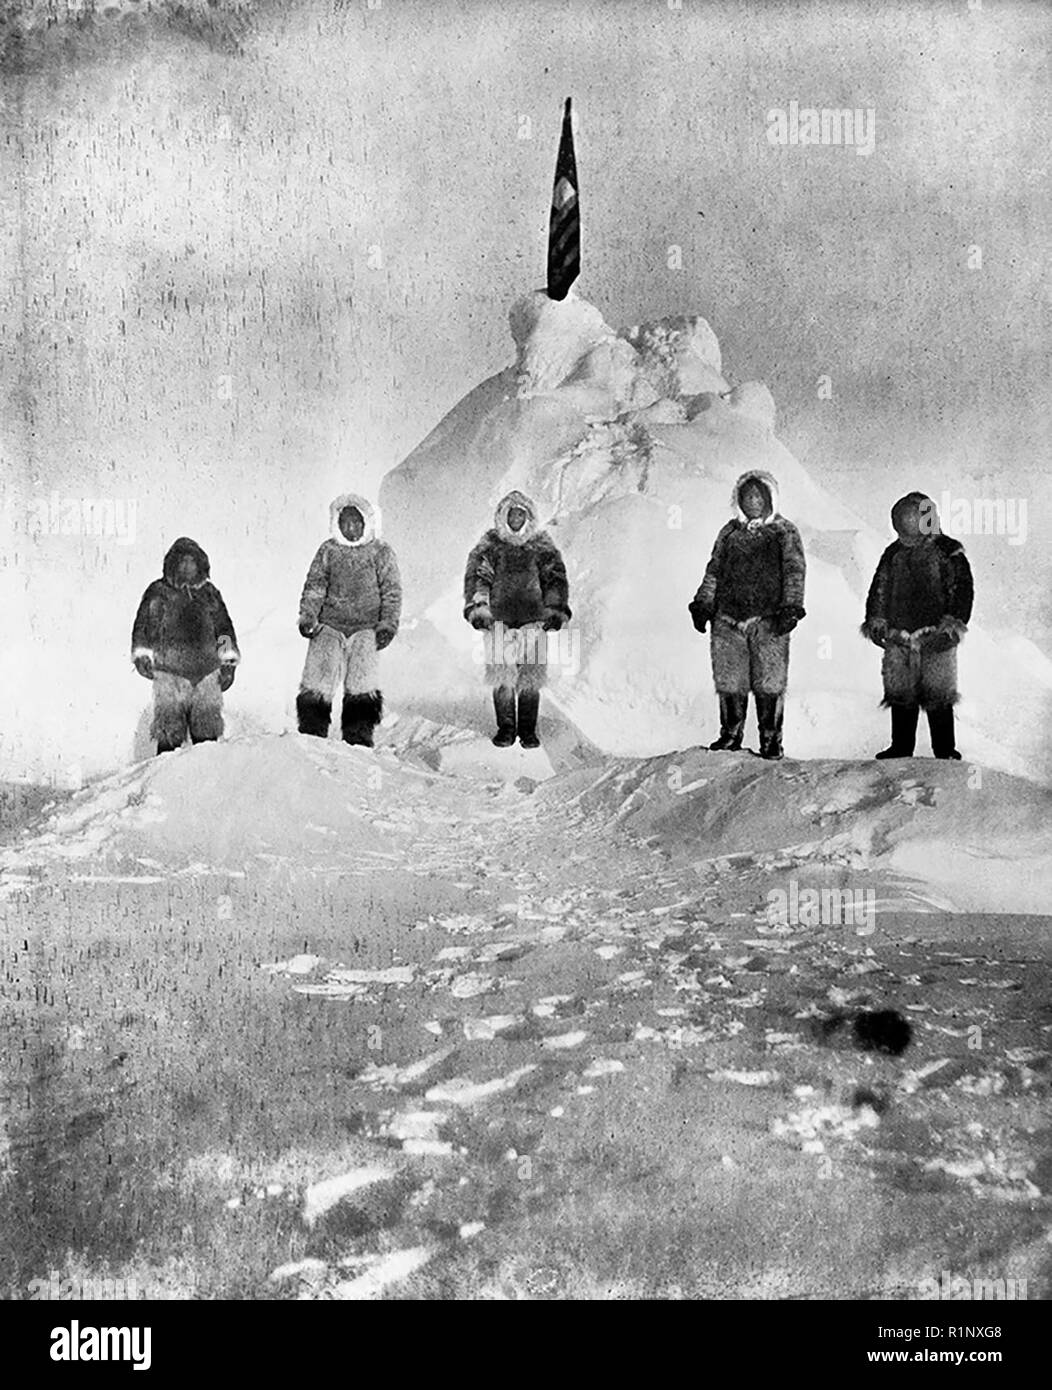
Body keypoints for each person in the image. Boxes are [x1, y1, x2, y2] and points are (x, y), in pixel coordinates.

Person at [688, 469, 806, 760]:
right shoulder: (729, 532)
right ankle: (730, 735)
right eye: (746, 496)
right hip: (727, 618)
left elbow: (794, 569)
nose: (752, 501)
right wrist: (703, 603)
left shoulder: (783, 531)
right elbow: (714, 570)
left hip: (769, 619)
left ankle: (771, 741)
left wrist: (791, 606)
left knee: (769, 681)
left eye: (757, 495)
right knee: (730, 680)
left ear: (768, 498)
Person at [861, 491, 973, 760]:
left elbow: (962, 591)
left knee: (938, 693)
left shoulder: (948, 551)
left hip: (935, 635)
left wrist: (952, 626)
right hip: (899, 635)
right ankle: (901, 747)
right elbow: (880, 589)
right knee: (901, 693)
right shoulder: (894, 554)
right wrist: (876, 620)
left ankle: (944, 749)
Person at [463, 490, 571, 749]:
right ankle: (506, 728)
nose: (515, 519)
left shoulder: (541, 547)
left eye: (520, 514)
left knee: (530, 678)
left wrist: (555, 609)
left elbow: (554, 579)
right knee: (502, 677)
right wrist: (479, 608)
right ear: (503, 516)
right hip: (499, 621)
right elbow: (479, 577)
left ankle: (528, 730)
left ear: (529, 517)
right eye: (511, 514)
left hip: (534, 621)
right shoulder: (491, 546)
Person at [296, 493, 401, 747]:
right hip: (329, 625)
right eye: (345, 522)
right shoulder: (328, 551)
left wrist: (387, 625)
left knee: (362, 684)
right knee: (317, 680)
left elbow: (391, 592)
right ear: (337, 523)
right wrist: (308, 616)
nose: (351, 527)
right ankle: (312, 734)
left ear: (366, 522)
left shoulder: (380, 552)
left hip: (366, 628)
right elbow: (315, 586)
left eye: (356, 522)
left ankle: (359, 737)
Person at [131, 537, 240, 755]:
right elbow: (143, 625)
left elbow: (223, 628)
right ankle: (163, 783)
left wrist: (228, 663)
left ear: (200, 565)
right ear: (173, 564)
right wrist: (142, 654)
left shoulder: (209, 593)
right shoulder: (158, 592)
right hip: (170, 673)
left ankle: (207, 780)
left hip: (206, 673)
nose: (187, 566)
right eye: (182, 561)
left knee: (207, 740)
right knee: (169, 737)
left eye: (192, 562)